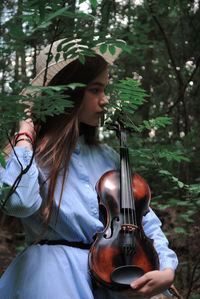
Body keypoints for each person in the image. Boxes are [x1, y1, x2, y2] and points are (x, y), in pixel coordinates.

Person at [0, 39, 178, 299]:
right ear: (68, 94)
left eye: (104, 89)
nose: (105, 101)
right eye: (96, 90)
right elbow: (18, 202)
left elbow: (143, 221)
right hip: (53, 277)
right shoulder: (29, 155)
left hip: (116, 274)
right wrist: (25, 133)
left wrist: (167, 268)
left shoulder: (107, 156)